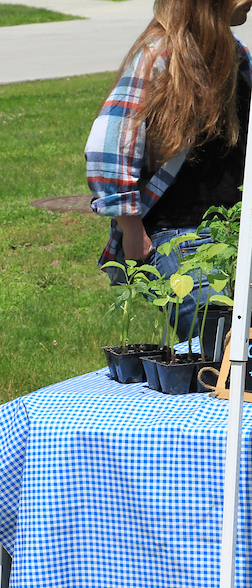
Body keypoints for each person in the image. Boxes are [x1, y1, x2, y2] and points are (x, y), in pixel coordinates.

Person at [86, 0, 252, 340]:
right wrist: (131, 229)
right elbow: (108, 145)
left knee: (238, 350)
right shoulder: (161, 56)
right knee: (217, 343)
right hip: (181, 236)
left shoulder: (238, 56)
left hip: (235, 231)